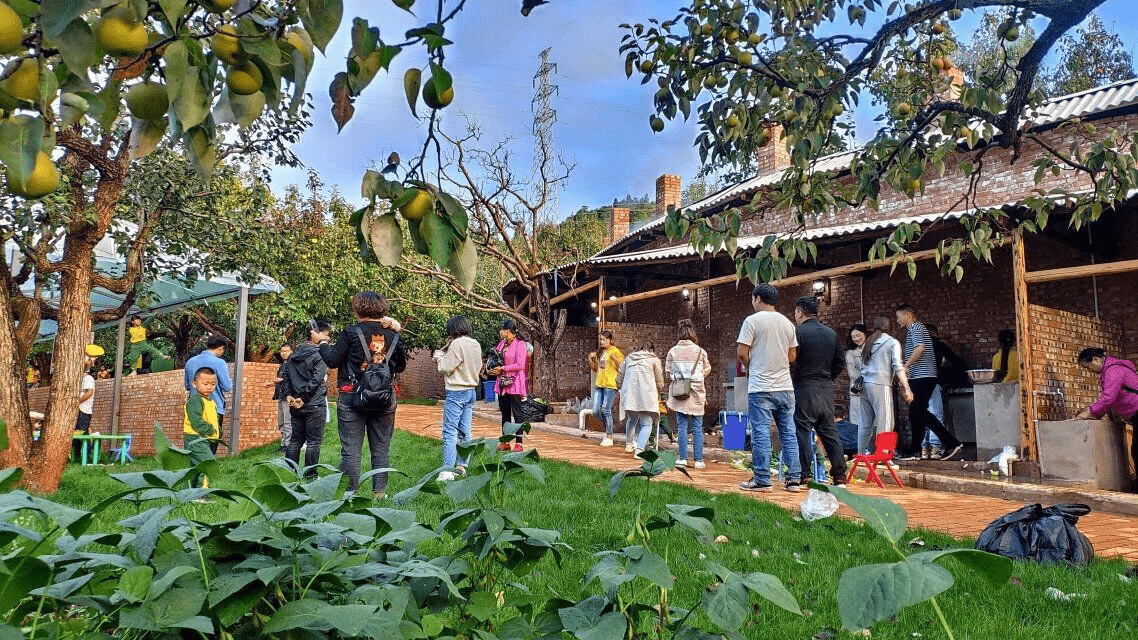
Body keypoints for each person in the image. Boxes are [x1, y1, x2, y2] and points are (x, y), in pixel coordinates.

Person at [316, 292, 406, 498]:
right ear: (383, 309)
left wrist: (322, 342)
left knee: (351, 448)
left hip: (351, 397)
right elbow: (400, 366)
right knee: (382, 447)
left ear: (357, 309)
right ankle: (379, 494)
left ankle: (350, 493)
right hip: (384, 398)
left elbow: (332, 359)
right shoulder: (393, 335)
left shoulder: (351, 332)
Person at [736, 283, 800, 492]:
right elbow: (792, 356)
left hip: (760, 387)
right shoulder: (788, 323)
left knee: (761, 432)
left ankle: (763, 480)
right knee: (789, 432)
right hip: (785, 388)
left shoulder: (752, 321)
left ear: (758, 299)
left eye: (753, 299)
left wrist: (749, 368)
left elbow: (742, 353)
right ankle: (793, 480)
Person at [895, 305, 963, 461]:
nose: (897, 320)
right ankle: (915, 450)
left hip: (924, 377)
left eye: (899, 317)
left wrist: (906, 367)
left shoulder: (915, 328)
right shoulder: (915, 329)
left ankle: (951, 443)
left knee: (917, 412)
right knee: (915, 414)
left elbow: (920, 349)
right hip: (922, 376)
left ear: (908, 315)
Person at [791, 296, 847, 486]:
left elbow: (792, 360)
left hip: (804, 387)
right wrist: (827, 378)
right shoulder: (831, 334)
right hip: (825, 388)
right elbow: (840, 362)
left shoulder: (798, 332)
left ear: (799, 312)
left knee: (803, 431)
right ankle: (839, 476)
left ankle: (804, 474)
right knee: (829, 431)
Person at [1072, 348, 1138, 491]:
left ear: (1096, 359)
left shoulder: (1112, 371)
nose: (1089, 370)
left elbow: (1108, 398)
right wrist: (1096, 414)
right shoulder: (1114, 368)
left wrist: (1088, 412)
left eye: (1088, 366)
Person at [434, 315, 482, 481]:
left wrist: (439, 358)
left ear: (453, 330)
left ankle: (447, 471)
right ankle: (462, 466)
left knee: (449, 431)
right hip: (471, 391)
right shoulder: (475, 344)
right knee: (465, 431)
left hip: (456, 391)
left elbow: (446, 367)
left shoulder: (457, 344)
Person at [857, 315, 913, 455]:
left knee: (865, 424)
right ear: (890, 327)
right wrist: (907, 388)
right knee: (886, 422)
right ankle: (884, 455)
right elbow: (897, 366)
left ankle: (861, 455)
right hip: (880, 385)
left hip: (864, 386)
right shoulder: (892, 342)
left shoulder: (868, 342)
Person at [665, 319, 712, 468]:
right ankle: (698, 460)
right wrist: (696, 378)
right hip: (697, 391)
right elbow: (707, 369)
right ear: (693, 335)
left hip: (680, 391)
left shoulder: (673, 351)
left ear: (679, 335)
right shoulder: (700, 351)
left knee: (682, 425)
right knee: (698, 426)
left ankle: (683, 458)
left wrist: (680, 378)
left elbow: (668, 372)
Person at [285, 323, 329, 477]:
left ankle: (289, 474)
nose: (328, 338)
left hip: (295, 403)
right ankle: (310, 475)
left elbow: (286, 377)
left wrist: (289, 395)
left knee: (295, 440)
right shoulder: (320, 354)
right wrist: (303, 398)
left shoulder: (292, 355)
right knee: (313, 441)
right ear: (314, 334)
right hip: (314, 404)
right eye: (326, 334)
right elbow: (316, 380)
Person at [616, 341, 664, 457]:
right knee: (646, 423)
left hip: (629, 394)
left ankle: (628, 444)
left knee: (632, 419)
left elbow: (619, 377)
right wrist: (660, 391)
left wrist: (620, 387)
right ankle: (639, 450)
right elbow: (659, 380)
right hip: (646, 395)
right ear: (652, 350)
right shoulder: (654, 360)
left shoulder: (628, 359)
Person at [488, 318, 528, 452]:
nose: (500, 332)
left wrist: (503, 368)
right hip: (502, 382)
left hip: (515, 382)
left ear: (508, 330)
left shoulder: (520, 344)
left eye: (502, 330)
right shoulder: (502, 344)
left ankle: (519, 443)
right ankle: (505, 442)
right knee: (505, 412)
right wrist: (494, 368)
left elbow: (520, 365)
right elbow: (496, 358)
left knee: (517, 413)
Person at [184, 366, 221, 494]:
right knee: (208, 464)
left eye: (213, 384)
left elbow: (213, 420)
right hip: (196, 438)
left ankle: (188, 493)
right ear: (194, 384)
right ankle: (202, 494)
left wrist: (216, 432)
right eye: (205, 384)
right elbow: (197, 422)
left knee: (195, 467)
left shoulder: (211, 401)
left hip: (205, 439)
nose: (209, 387)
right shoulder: (195, 401)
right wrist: (210, 430)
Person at [184, 335, 233, 432]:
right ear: (221, 348)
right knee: (212, 439)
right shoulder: (219, 362)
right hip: (214, 407)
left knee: (195, 440)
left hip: (194, 407)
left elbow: (187, 386)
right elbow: (227, 387)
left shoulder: (190, 362)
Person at [588, 330, 623, 447]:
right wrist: (590, 359)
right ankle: (607, 428)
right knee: (596, 410)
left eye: (604, 339)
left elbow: (622, 368)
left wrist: (615, 360)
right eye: (601, 340)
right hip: (599, 384)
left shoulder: (615, 351)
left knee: (605, 410)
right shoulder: (601, 352)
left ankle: (609, 436)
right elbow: (595, 369)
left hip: (610, 385)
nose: (602, 342)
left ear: (610, 340)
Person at [73, 345, 100, 462]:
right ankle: (77, 456)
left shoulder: (88, 378)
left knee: (83, 434)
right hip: (79, 410)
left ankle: (87, 456)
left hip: (84, 411)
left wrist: (76, 402)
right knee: (76, 435)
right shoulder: (80, 379)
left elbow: (90, 392)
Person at [926, 324, 970, 389]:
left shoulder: (916, 347)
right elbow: (954, 360)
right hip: (935, 376)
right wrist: (967, 371)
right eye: (936, 333)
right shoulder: (938, 345)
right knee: (958, 376)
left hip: (920, 378)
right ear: (933, 333)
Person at [268, 343, 293, 453]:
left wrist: (278, 381)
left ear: (291, 351)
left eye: (286, 351)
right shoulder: (282, 365)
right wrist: (273, 383)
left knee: (288, 422)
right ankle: (283, 443)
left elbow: (290, 380)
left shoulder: (293, 364)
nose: (284, 353)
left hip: (288, 396)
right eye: (282, 351)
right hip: (281, 396)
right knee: (281, 422)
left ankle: (288, 445)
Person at [845, 323, 868, 429]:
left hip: (873, 390)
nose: (856, 338)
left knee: (874, 423)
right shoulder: (850, 352)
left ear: (865, 334)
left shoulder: (874, 348)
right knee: (858, 423)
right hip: (858, 390)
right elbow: (852, 373)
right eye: (853, 336)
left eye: (858, 335)